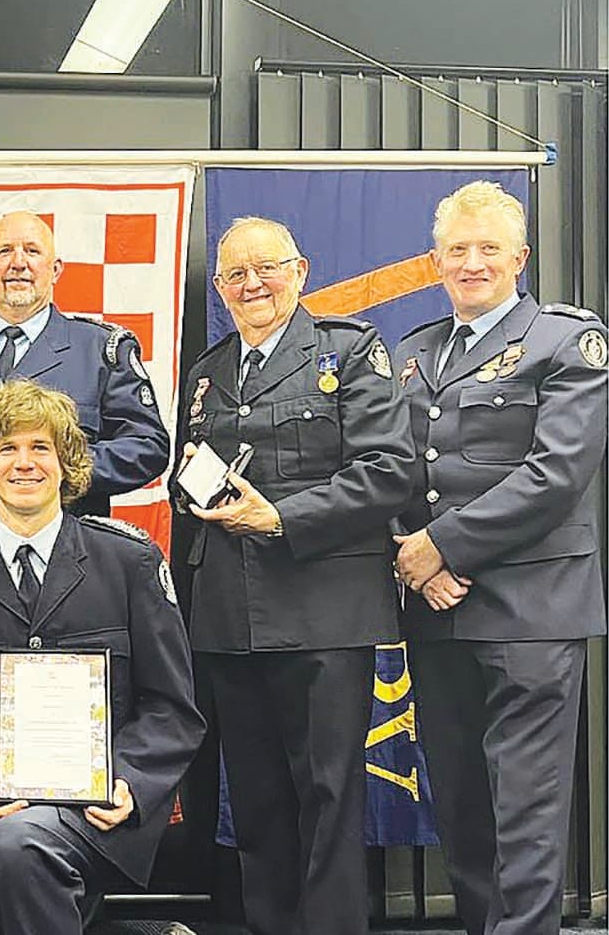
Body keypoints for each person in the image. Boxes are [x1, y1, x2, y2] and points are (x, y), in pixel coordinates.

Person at [173, 217, 413, 935]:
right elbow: (187, 480)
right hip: (228, 617)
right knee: (255, 807)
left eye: (266, 269)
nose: (252, 284)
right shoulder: (206, 373)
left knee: (329, 799)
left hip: (323, 614)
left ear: (299, 271)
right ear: (218, 288)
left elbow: (387, 471)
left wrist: (279, 517)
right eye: (235, 275)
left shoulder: (350, 350)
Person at [0, 379, 203, 935]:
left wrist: (130, 782)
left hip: (105, 811)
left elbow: (172, 707)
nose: (25, 464)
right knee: (15, 847)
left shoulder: (129, 562)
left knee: (22, 848)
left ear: (68, 463)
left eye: (41, 448)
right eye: (7, 449)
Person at [392, 181, 607, 935]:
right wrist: (415, 556)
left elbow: (556, 476)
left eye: (488, 249)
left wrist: (442, 545)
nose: (472, 262)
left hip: (530, 610)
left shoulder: (566, 341)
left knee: (525, 806)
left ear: (520, 257)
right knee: (460, 804)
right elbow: (397, 470)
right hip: (436, 608)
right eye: (458, 249)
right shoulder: (413, 353)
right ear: (435, 261)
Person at [0, 210, 170, 553]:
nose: (18, 263)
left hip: (72, 559)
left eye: (32, 250)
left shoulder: (101, 349)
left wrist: (63, 465)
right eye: (5, 251)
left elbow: (148, 446)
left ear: (55, 270)